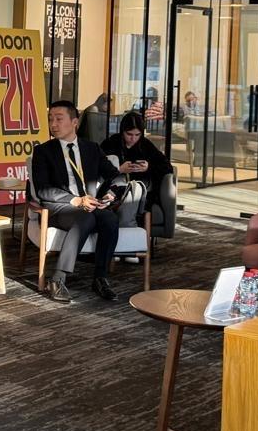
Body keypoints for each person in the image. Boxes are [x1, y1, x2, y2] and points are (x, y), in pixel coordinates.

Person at [30, 100, 128, 304]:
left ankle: (100, 278)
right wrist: (74, 200)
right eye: (51, 119)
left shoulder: (91, 149)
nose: (53, 124)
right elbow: (42, 189)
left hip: (89, 205)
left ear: (74, 122)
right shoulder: (43, 151)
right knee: (85, 218)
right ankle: (57, 278)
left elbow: (116, 176)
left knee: (109, 219)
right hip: (60, 207)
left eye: (59, 119)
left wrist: (110, 196)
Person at [101, 111, 171, 224]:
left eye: (137, 135)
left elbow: (166, 166)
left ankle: (118, 198)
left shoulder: (145, 145)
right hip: (116, 183)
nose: (133, 139)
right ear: (122, 131)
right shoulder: (111, 143)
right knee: (119, 180)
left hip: (142, 186)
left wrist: (148, 167)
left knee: (135, 188)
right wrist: (119, 169)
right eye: (129, 134)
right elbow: (98, 167)